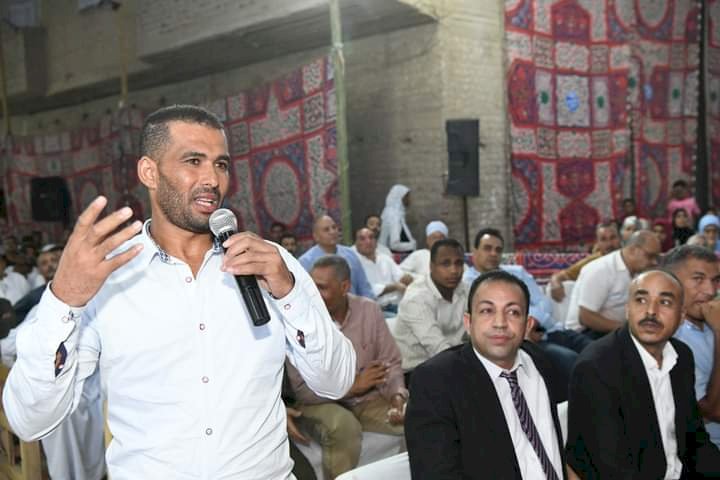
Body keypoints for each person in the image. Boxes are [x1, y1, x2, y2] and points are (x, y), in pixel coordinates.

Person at [2, 104, 356, 479]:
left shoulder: (270, 262)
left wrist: (289, 294)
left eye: (221, 164)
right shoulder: (109, 277)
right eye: (193, 161)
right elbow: (29, 420)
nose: (213, 180)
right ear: (149, 172)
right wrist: (64, 299)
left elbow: (336, 382)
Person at [405, 270, 566, 479]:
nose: (500, 323)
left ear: (527, 325)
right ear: (468, 322)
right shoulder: (436, 383)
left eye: (513, 312)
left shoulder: (541, 363)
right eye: (487, 311)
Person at [567, 269, 720, 478]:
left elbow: (694, 439)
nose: (651, 311)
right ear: (627, 309)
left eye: (665, 302)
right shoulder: (597, 366)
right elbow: (611, 468)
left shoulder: (681, 356)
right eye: (640, 300)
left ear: (682, 315)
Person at [286, 256, 407, 479]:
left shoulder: (369, 310)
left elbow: (390, 361)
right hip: (318, 402)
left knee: (417, 419)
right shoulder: (300, 319)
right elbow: (302, 390)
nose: (314, 293)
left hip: (368, 398)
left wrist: (397, 396)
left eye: (322, 287)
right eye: (312, 286)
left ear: (344, 287)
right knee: (344, 426)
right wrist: (352, 387)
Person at [464, 228, 584, 377]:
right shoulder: (470, 283)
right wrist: (524, 326)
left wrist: (533, 322)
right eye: (487, 248)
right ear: (474, 252)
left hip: (554, 330)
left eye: (498, 250)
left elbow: (544, 302)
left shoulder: (517, 272)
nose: (493, 254)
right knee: (573, 361)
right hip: (529, 342)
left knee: (598, 352)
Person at [665, 245, 720, 448]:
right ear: (672, 284)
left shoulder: (711, 318)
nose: (711, 291)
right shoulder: (671, 339)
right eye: (698, 279)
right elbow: (714, 411)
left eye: (715, 280)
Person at [565, 230, 661, 338]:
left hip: (613, 331)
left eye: (656, 257)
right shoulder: (601, 270)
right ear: (633, 250)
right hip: (583, 334)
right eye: (650, 256)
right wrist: (629, 330)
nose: (654, 262)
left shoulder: (639, 272)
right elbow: (585, 317)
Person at [394, 239, 468, 373]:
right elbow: (438, 348)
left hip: (452, 362)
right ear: (431, 266)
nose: (454, 270)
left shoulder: (465, 290)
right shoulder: (416, 298)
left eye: (458, 263)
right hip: (415, 371)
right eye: (446, 264)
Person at [298, 215, 375, 299]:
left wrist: (370, 305)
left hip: (354, 305)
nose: (332, 232)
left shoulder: (350, 254)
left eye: (334, 227)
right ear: (316, 236)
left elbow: (364, 287)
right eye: (326, 229)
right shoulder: (306, 262)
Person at [548, 221, 621, 302]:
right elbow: (559, 276)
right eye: (603, 239)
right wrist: (555, 284)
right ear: (597, 243)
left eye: (613, 237)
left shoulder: (628, 256)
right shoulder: (592, 261)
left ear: (620, 238)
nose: (609, 243)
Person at [352, 227, 413, 311]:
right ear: (356, 244)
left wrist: (408, 279)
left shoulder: (385, 258)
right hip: (376, 310)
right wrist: (394, 286)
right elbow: (369, 291)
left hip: (398, 305)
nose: (368, 241)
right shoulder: (354, 263)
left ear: (376, 242)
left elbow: (401, 277)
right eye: (362, 239)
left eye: (371, 237)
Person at [378, 184, 416, 253]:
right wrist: (412, 245)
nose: (410, 199)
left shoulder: (392, 213)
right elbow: (394, 245)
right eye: (407, 197)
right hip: (390, 256)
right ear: (400, 198)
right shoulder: (394, 216)